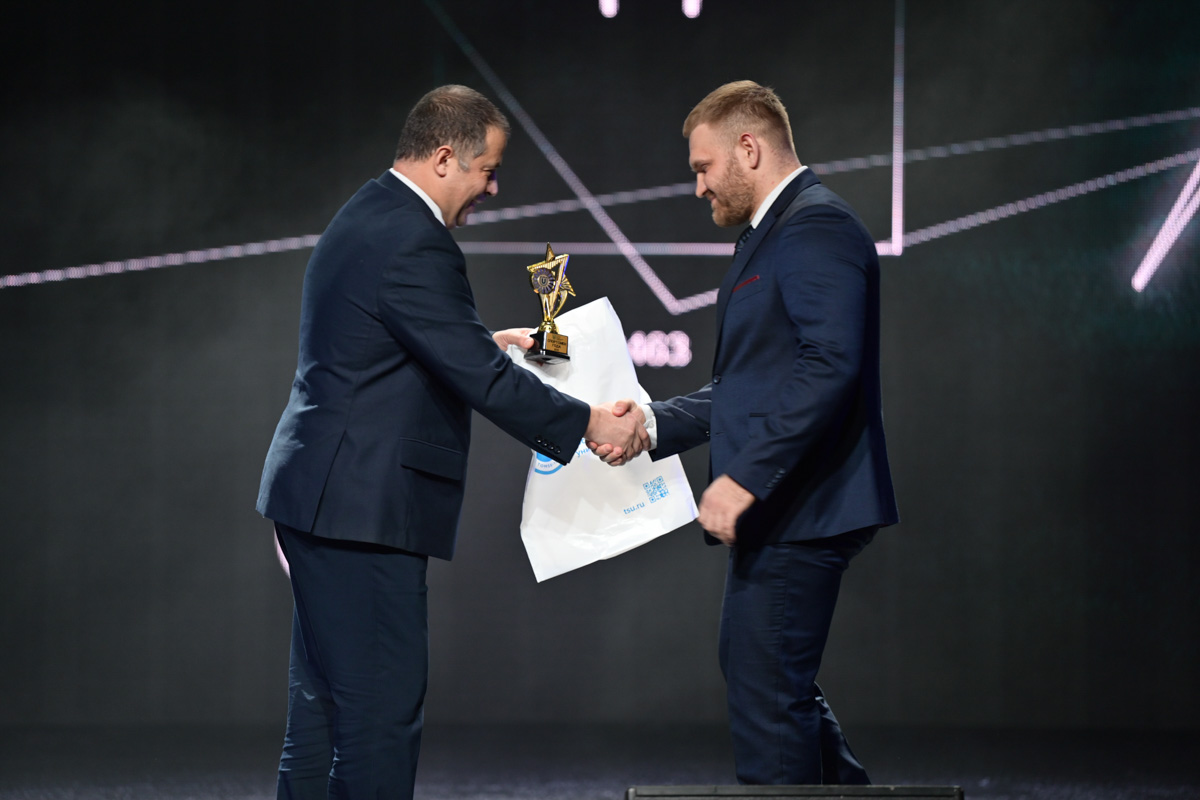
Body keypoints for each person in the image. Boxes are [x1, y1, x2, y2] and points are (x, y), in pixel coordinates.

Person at [256, 84, 647, 799]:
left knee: (321, 713)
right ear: (444, 158)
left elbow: (390, 348)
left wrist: (481, 344)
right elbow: (479, 378)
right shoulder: (414, 238)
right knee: (378, 717)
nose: (493, 188)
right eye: (488, 170)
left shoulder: (373, 212)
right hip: (360, 512)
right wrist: (590, 423)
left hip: (326, 499)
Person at [593, 81, 898, 785]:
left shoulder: (815, 227)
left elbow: (830, 365)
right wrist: (652, 423)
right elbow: (752, 386)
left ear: (749, 148)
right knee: (764, 681)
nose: (698, 186)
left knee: (767, 694)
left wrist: (746, 477)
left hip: (802, 504)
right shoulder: (779, 231)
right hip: (788, 507)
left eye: (704, 167)